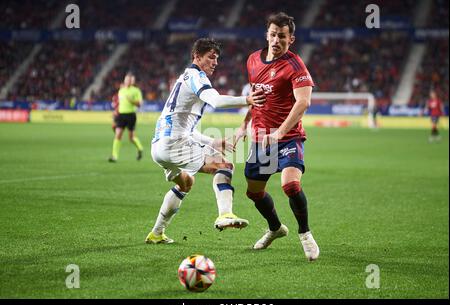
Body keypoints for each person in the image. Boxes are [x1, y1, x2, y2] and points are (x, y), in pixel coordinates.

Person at [145, 38, 266, 244]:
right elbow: (216, 101)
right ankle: (225, 214)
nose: (215, 62)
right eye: (211, 57)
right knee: (224, 166)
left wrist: (214, 142)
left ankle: (157, 233)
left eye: (217, 58)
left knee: (186, 183)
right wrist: (246, 99)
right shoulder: (196, 76)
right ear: (196, 57)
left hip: (159, 147)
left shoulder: (183, 78)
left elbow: (186, 128)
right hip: (175, 144)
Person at [234, 12, 320, 261]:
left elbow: (304, 102)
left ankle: (305, 234)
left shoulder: (295, 66)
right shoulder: (252, 60)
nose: (276, 40)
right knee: (253, 192)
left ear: (290, 39)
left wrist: (280, 132)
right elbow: (256, 98)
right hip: (261, 139)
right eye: (273, 35)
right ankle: (275, 228)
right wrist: (243, 126)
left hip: (288, 137)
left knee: (290, 185)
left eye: (282, 36)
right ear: (267, 35)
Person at [108, 73, 144, 162]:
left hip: (131, 115)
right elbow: (119, 103)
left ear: (132, 81)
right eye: (126, 79)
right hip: (121, 115)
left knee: (131, 138)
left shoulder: (136, 91)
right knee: (118, 134)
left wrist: (131, 100)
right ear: (124, 80)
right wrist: (116, 111)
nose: (127, 81)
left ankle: (140, 148)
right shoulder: (121, 91)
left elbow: (139, 104)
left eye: (129, 80)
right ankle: (114, 156)